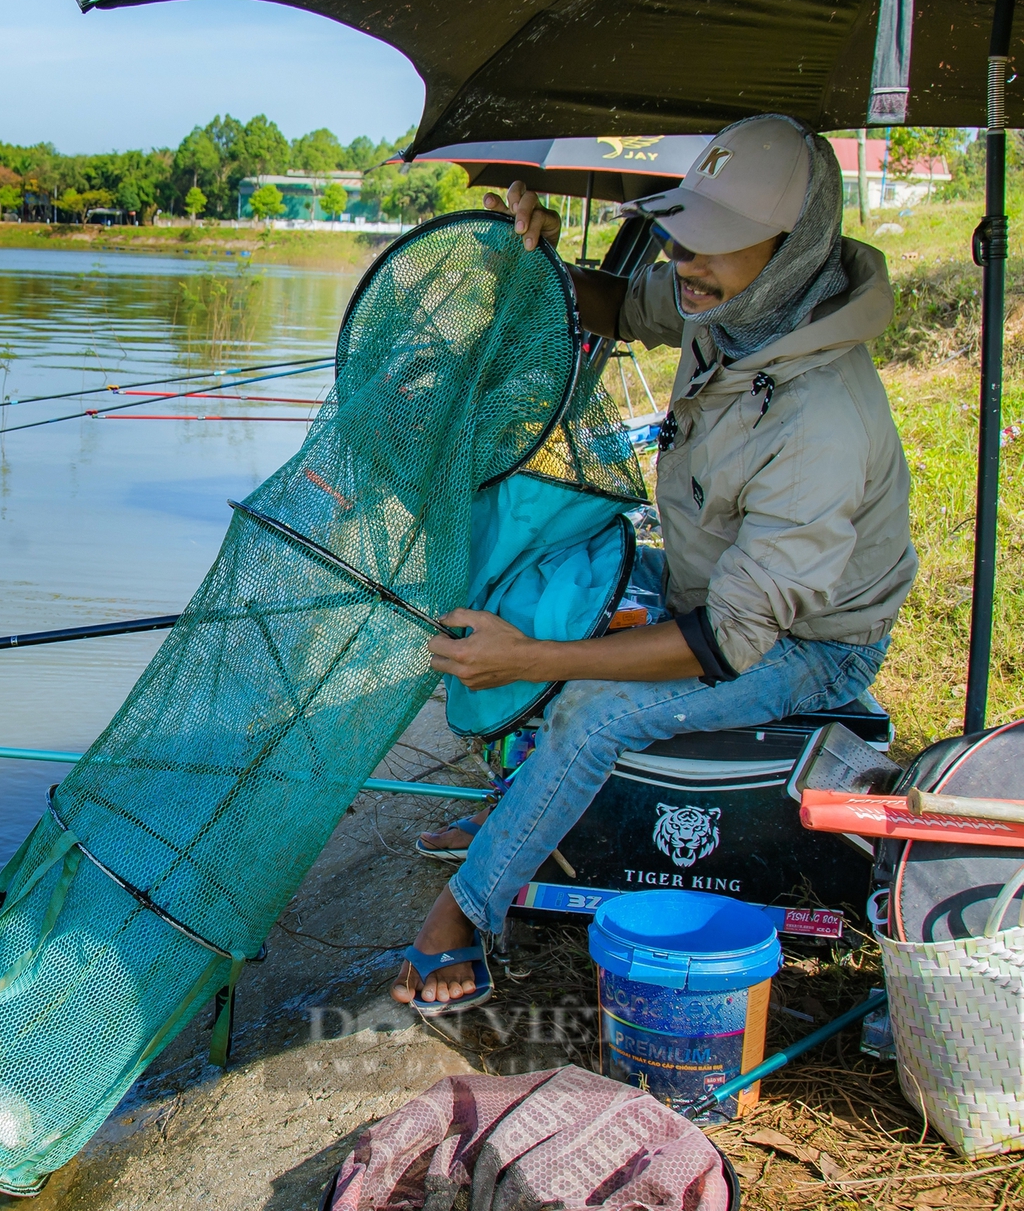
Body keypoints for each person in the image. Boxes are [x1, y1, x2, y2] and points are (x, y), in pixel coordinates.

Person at [392, 114, 917, 1013]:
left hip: (805, 641)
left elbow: (733, 641)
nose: (683, 262)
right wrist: (543, 263)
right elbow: (619, 304)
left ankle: (464, 917)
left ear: (793, 248)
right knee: (548, 571)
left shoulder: (823, 418)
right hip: (704, 581)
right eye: (681, 238)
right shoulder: (735, 300)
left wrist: (532, 659)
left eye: (709, 246)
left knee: (593, 708)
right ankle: (523, 802)